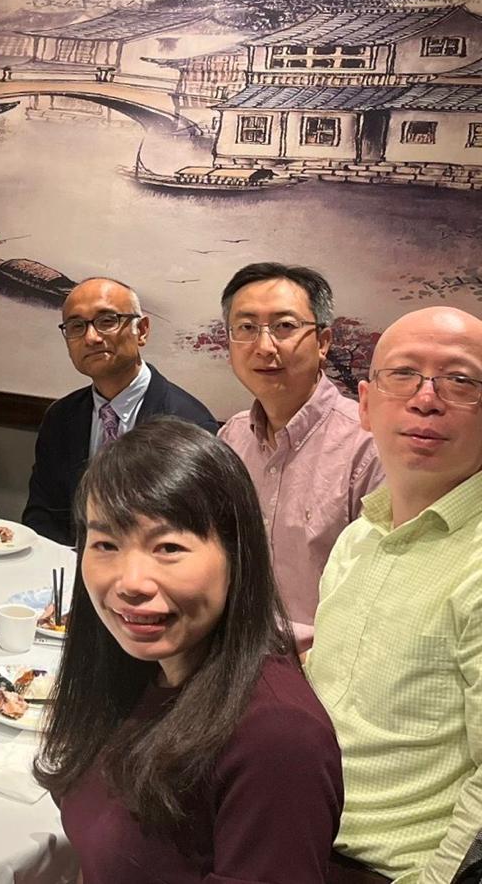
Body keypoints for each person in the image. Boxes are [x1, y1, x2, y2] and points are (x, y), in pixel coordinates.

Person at [37, 417, 343, 881]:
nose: (131, 582)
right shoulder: (136, 669)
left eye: (168, 547)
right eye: (105, 544)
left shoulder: (277, 740)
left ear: (237, 555)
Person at [307, 306, 482, 884]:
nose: (426, 399)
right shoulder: (360, 538)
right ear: (364, 404)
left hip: (389, 869)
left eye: (460, 380)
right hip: (296, 831)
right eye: (403, 375)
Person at [216, 262, 382, 644]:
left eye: (284, 327)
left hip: (320, 672)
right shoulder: (232, 437)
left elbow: (380, 591)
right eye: (245, 328)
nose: (264, 346)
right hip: (231, 658)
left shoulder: (367, 446)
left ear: (322, 342)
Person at [23, 277, 218, 545]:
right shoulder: (60, 418)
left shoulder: (189, 424)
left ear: (143, 330)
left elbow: (192, 535)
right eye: (76, 326)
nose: (91, 337)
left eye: (107, 321)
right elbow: (42, 514)